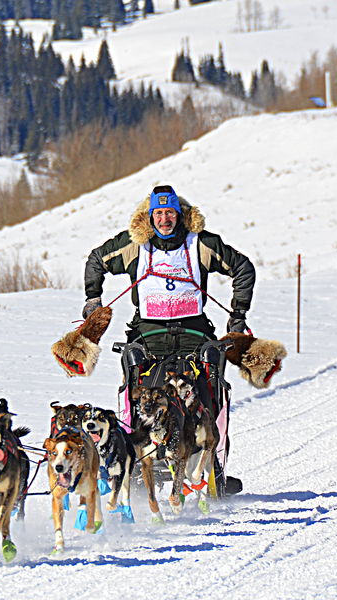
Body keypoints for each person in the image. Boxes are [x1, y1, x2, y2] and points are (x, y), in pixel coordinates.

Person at [82, 184, 255, 494]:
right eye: (158, 213)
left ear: (180, 215)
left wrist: (238, 315)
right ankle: (134, 462)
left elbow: (242, 267)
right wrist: (93, 300)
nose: (164, 219)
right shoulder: (134, 245)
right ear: (149, 217)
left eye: (169, 213)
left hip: (194, 334)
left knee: (210, 383)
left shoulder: (201, 244)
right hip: (149, 335)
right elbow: (97, 260)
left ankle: (214, 464)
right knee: (134, 382)